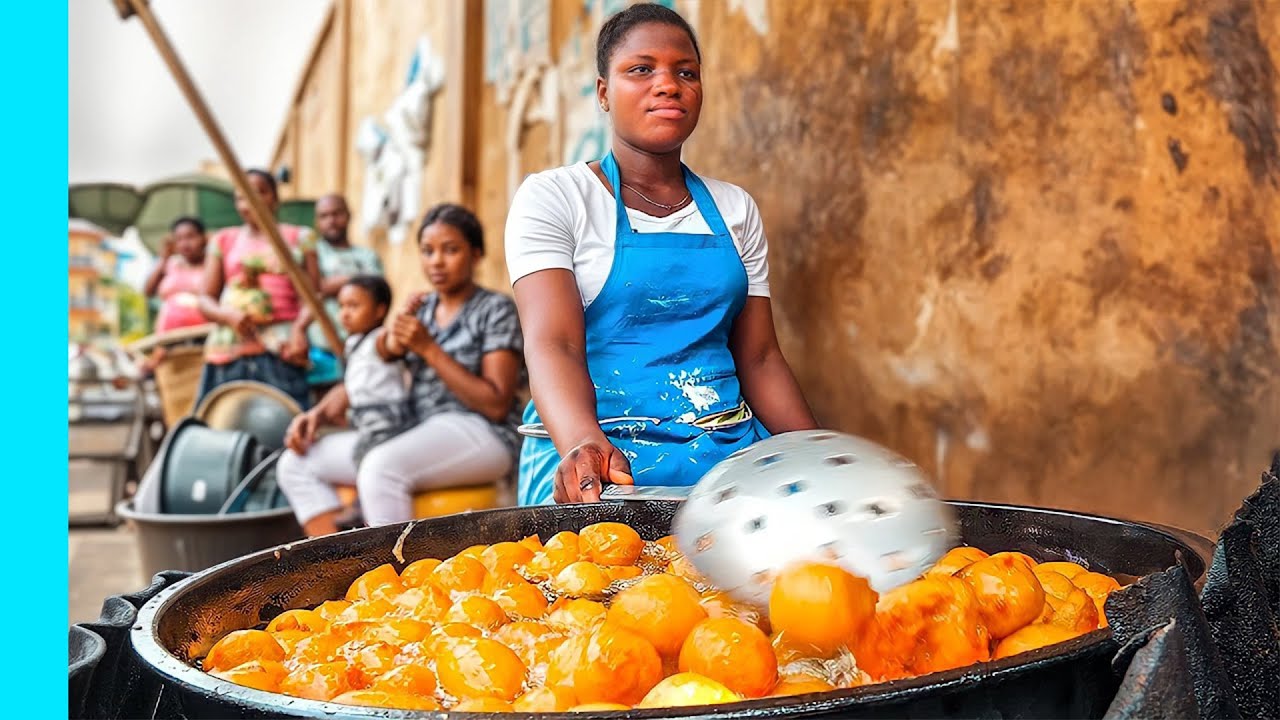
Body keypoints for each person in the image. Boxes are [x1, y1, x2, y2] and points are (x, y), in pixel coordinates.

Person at [505, 3, 817, 506]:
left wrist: (818, 454)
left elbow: (759, 358)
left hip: (725, 459)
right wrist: (584, 446)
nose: (668, 84)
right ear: (604, 92)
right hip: (600, 458)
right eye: (641, 69)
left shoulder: (735, 208)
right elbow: (553, 345)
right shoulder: (555, 198)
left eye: (685, 72)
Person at [277, 203, 525, 536]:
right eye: (428, 251)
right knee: (296, 463)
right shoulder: (419, 312)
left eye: (450, 250)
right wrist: (318, 415)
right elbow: (370, 375)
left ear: (476, 254)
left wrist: (428, 349)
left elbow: (495, 403)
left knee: (380, 467)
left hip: (483, 432)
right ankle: (338, 562)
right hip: (411, 429)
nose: (436, 261)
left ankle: (393, 579)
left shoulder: (494, 309)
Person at [196, 169, 321, 410]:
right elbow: (205, 299)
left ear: (275, 197)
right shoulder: (223, 240)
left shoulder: (300, 238)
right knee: (224, 423)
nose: (249, 202)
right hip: (230, 349)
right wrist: (227, 316)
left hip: (282, 347)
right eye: (242, 197)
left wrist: (299, 329)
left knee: (287, 425)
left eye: (259, 193)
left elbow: (313, 296)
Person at [300, 194, 385, 388]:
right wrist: (355, 279)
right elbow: (314, 288)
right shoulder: (312, 253)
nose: (331, 221)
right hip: (319, 348)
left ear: (348, 215)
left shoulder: (368, 256)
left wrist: (331, 285)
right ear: (317, 221)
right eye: (324, 216)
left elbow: (377, 291)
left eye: (337, 214)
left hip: (361, 349)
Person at [335, 274, 414, 464]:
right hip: (366, 423)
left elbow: (393, 344)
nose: (344, 313)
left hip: (387, 423)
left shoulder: (379, 339)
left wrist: (405, 317)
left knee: (363, 460)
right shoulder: (354, 342)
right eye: (342, 306)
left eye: (353, 306)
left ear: (380, 310)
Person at [144, 216, 209, 333]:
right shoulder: (170, 263)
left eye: (190, 237)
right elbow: (148, 291)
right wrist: (164, 257)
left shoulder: (211, 265)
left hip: (203, 334)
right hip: (167, 336)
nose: (185, 243)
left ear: (204, 238)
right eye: (179, 239)